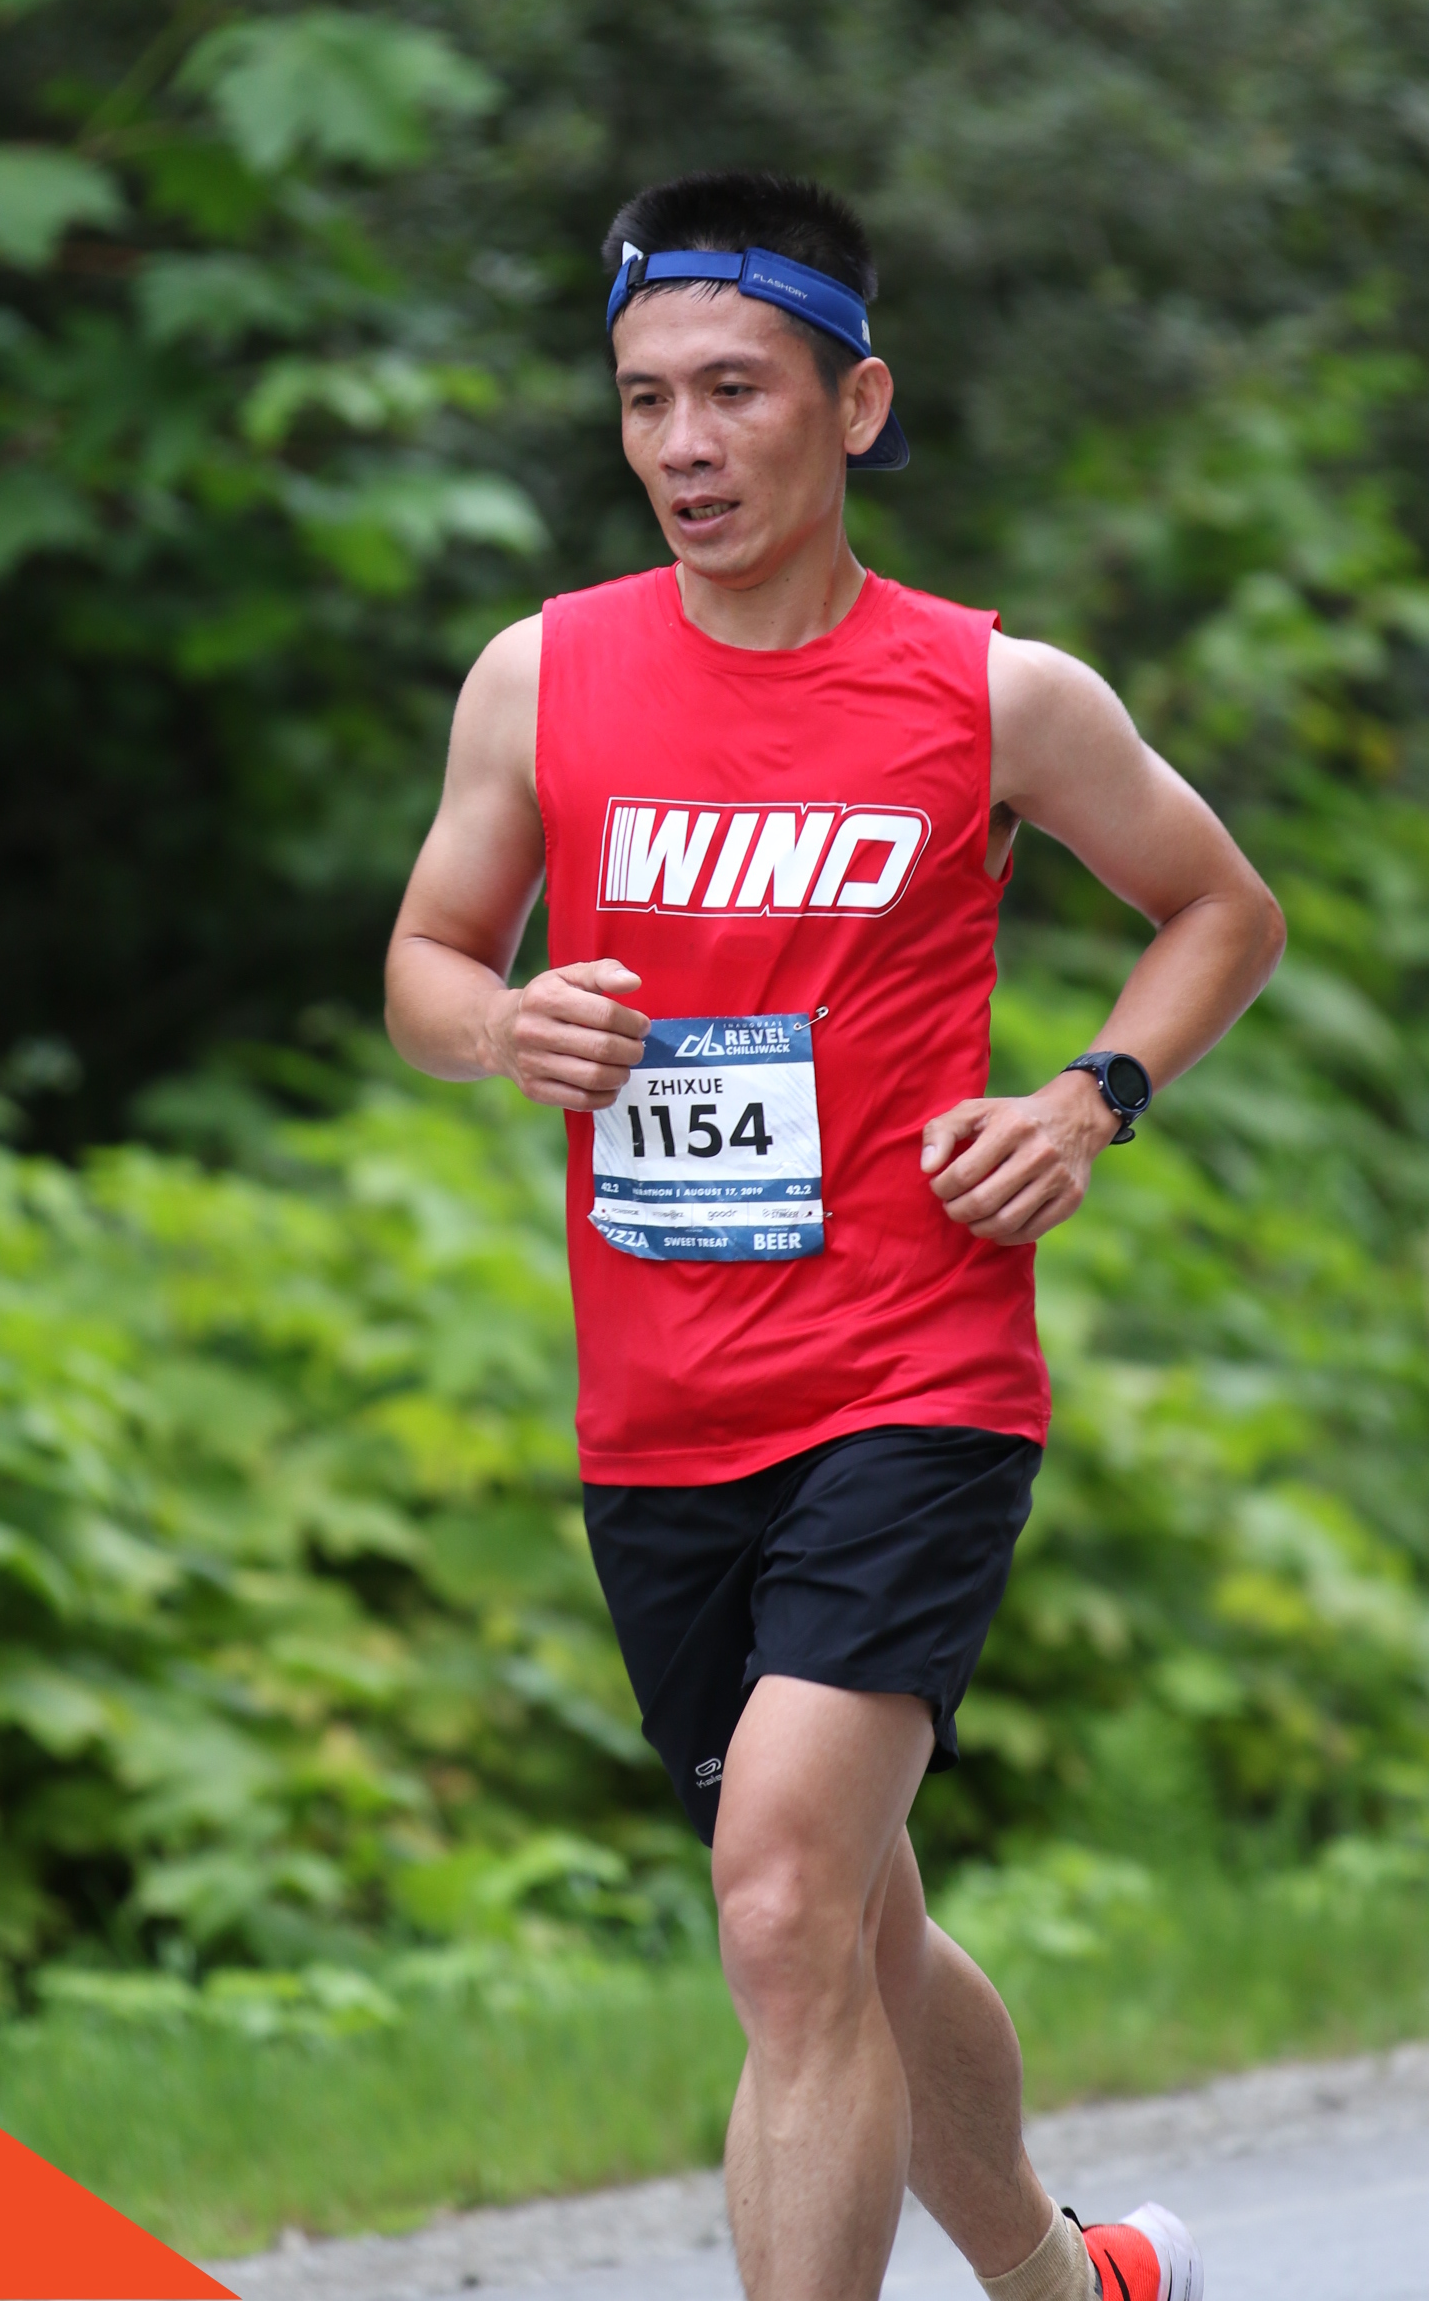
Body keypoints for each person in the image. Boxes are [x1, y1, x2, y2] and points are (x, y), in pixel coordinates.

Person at [384, 170, 1284, 2301]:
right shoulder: (542, 676)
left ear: (855, 405)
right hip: (661, 1408)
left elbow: (1220, 909)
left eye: (737, 392)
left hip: (914, 1375)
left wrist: (1087, 1098)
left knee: (780, 1904)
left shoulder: (995, 695)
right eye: (645, 402)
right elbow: (426, 960)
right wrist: (505, 1026)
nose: (685, 447)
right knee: (850, 1919)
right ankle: (1065, 2280)